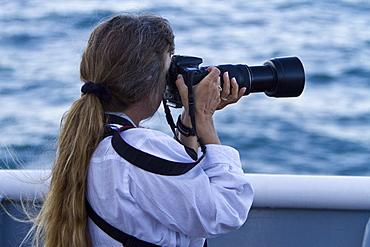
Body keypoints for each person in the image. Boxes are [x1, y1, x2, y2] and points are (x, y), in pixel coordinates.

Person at [31, 13, 254, 247]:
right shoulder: (137, 147)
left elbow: (180, 187)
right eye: (168, 71)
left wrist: (190, 119)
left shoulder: (91, 140)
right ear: (149, 79)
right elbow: (226, 211)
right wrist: (204, 116)